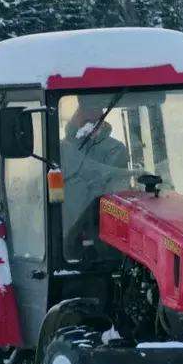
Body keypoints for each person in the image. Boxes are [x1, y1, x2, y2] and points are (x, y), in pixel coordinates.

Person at [59, 104, 133, 260]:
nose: (90, 125)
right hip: (64, 232)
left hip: (102, 226)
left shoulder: (116, 150)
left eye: (96, 119)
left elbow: (116, 189)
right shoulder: (60, 150)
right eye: (85, 119)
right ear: (76, 120)